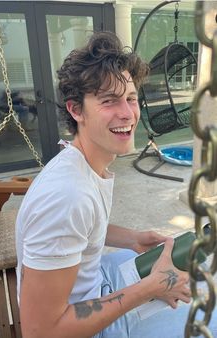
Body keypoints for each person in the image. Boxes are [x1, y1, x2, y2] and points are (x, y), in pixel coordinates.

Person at [15, 31, 217, 338]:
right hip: (84, 326)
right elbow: (40, 330)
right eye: (109, 101)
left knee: (197, 275)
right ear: (76, 109)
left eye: (131, 98)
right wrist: (147, 289)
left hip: (96, 280)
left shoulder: (80, 164)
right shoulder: (67, 196)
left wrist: (132, 239)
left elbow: (81, 229)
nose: (127, 113)